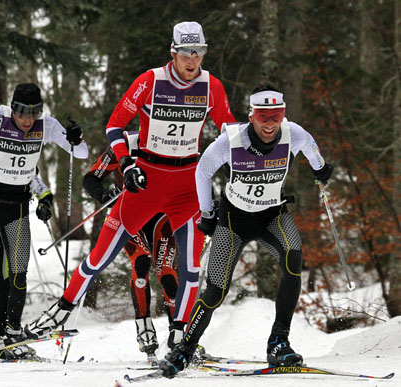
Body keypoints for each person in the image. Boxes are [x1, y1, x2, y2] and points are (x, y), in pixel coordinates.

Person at [24, 21, 235, 344]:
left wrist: (235, 168)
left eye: (200, 52)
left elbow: (228, 131)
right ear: (173, 52)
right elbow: (115, 125)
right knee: (99, 257)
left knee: (190, 268)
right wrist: (125, 161)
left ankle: (180, 336)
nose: (193, 60)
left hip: (187, 186)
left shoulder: (212, 86)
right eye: (186, 53)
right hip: (147, 181)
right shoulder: (150, 81)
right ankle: (62, 309)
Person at [159, 85, 334, 376]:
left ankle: (279, 342)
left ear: (283, 115)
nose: (269, 123)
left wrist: (320, 167)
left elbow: (310, 144)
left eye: (276, 116)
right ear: (251, 116)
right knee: (216, 290)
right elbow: (202, 170)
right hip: (233, 221)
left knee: (293, 258)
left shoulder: (294, 133)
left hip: (272, 216)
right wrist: (207, 212)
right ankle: (185, 349)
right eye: (263, 116)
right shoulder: (231, 141)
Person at [0, 83, 88, 351]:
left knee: (19, 274)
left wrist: (75, 138)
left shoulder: (46, 125)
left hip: (17, 205)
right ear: (12, 108)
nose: (27, 120)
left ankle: (11, 332)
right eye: (22, 113)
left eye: (33, 113)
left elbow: (80, 153)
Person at [82, 131, 181, 360]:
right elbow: (90, 178)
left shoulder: (174, 140)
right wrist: (106, 195)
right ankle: (144, 328)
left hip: (162, 217)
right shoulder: (125, 144)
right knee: (142, 262)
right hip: (129, 215)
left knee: (166, 273)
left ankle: (178, 332)